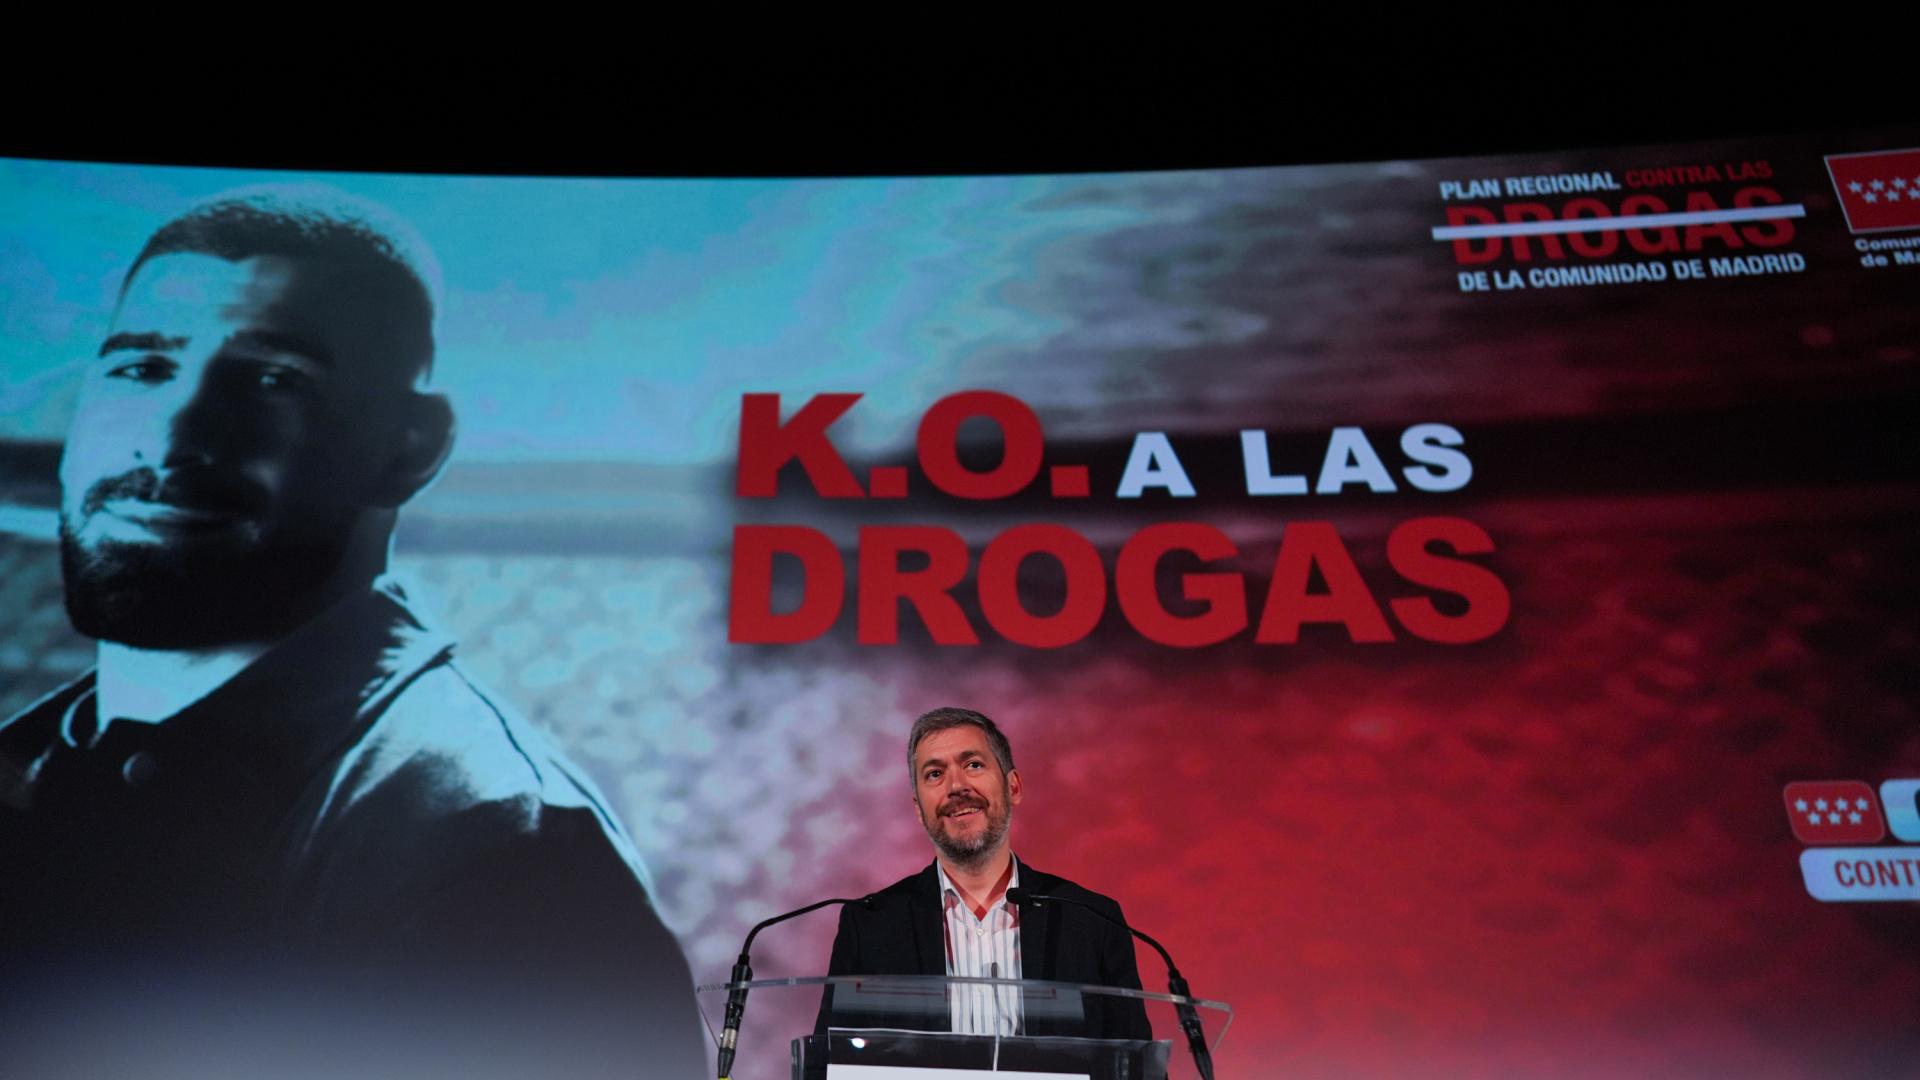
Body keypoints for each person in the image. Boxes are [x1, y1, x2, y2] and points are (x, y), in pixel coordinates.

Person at [0, 186, 706, 1078]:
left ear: (411, 447)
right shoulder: (29, 767)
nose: (173, 438)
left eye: (274, 379)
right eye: (141, 368)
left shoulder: (496, 848)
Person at [817, 706, 1152, 1041]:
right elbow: (827, 1061)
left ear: (1013, 787)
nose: (956, 786)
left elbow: (1134, 1061)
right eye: (935, 774)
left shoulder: (1092, 921)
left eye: (973, 765)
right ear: (919, 809)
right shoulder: (869, 926)